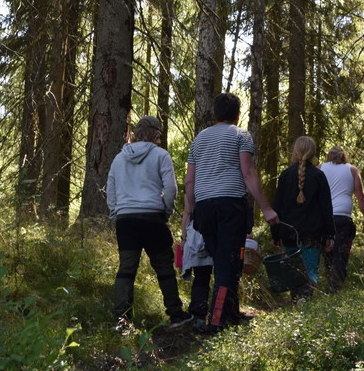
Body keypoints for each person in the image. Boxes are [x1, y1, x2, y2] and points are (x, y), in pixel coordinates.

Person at [184, 92, 278, 333]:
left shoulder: (199, 139)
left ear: (216, 113)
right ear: (237, 114)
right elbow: (248, 173)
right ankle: (217, 322)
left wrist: (190, 214)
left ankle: (231, 313)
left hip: (204, 209)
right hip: (230, 206)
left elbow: (190, 182)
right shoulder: (241, 135)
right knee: (227, 266)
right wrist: (267, 208)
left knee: (225, 261)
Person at [106, 116, 189, 330]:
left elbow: (111, 191)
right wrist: (166, 212)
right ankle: (176, 315)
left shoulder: (119, 159)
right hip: (153, 217)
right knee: (164, 267)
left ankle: (121, 320)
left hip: (126, 220)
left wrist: (117, 213)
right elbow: (170, 189)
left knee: (126, 268)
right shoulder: (161, 155)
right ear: (156, 133)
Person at [272, 137, 335, 294]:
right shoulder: (318, 176)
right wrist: (330, 234)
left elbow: (277, 207)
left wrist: (276, 234)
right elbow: (326, 208)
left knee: (294, 270)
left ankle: (297, 302)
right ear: (313, 152)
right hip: (313, 232)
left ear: (295, 151)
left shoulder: (285, 176)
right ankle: (305, 301)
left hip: (289, 232)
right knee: (311, 269)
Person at [320, 145, 364, 286]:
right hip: (343, 218)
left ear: (329, 155)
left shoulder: (320, 168)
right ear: (344, 156)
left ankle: (330, 282)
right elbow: (361, 198)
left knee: (327, 251)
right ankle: (336, 285)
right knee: (341, 252)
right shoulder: (352, 170)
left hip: (324, 218)